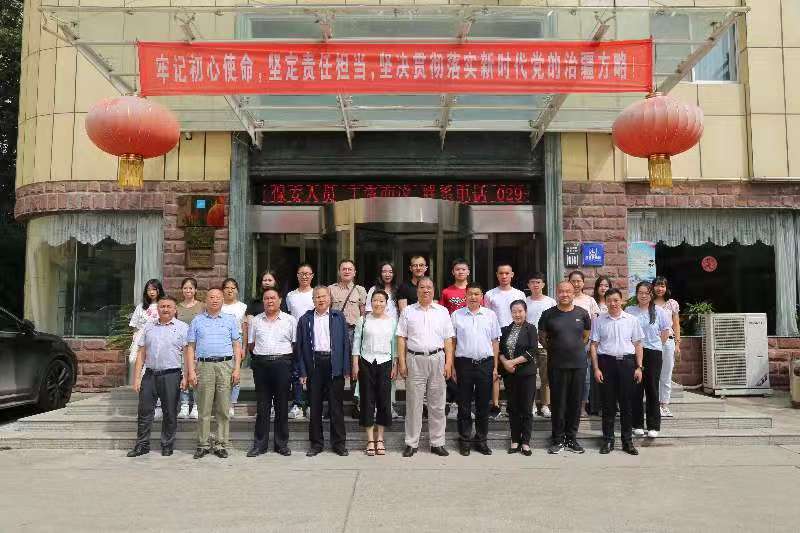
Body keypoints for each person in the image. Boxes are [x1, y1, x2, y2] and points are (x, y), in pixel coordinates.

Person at [397, 277, 455, 457]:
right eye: (422, 287)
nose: (426, 290)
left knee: (437, 404)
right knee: (413, 403)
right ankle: (411, 443)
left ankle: (437, 443)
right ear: (417, 290)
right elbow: (401, 338)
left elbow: (448, 339)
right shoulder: (408, 311)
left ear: (434, 290)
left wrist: (449, 362)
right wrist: (402, 362)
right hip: (414, 359)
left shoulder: (442, 311)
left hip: (438, 358)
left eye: (429, 287)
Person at [185, 288, 243, 459]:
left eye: (218, 297)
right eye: (211, 297)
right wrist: (191, 371)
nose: (215, 300)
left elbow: (237, 346)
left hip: (225, 365)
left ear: (222, 300)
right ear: (206, 300)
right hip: (204, 366)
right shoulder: (197, 320)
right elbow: (190, 347)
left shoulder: (230, 320)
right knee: (204, 408)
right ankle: (202, 444)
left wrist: (237, 368)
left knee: (223, 408)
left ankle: (220, 444)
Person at [127, 297, 188, 457]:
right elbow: (141, 353)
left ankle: (167, 444)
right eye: (162, 306)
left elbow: (187, 354)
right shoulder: (148, 327)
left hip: (172, 375)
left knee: (170, 412)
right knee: (144, 411)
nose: (165, 309)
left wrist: (186, 376)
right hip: (150, 375)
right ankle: (142, 445)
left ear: (175, 309)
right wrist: (137, 378)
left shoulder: (183, 328)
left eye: (169, 306)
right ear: (157, 309)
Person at [296, 286, 351, 457]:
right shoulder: (305, 319)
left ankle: (339, 444)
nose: (321, 299)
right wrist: (302, 371)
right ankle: (316, 443)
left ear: (329, 298)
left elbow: (345, 343)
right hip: (314, 365)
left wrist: (346, 367)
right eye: (317, 297)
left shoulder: (338, 317)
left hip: (334, 365)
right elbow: (300, 348)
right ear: (313, 300)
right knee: (315, 407)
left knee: (336, 407)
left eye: (323, 296)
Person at [539, 281, 592, 455]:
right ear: (557, 293)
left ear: (573, 293)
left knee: (575, 403)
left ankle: (571, 438)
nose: (565, 294)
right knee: (558, 403)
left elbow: (585, 336)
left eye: (568, 291)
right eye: (561, 291)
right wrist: (557, 349)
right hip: (557, 364)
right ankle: (558, 439)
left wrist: (573, 348)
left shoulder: (582, 313)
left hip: (578, 364)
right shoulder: (548, 314)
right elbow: (542, 338)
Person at [589, 288, 645, 456]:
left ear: (622, 301)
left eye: (616, 300)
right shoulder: (599, 321)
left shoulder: (632, 320)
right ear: (605, 302)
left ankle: (627, 441)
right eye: (609, 300)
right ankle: (608, 440)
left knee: (627, 404)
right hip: (606, 363)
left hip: (627, 364)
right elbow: (594, 345)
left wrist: (639, 367)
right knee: (608, 405)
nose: (613, 303)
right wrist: (596, 368)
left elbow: (638, 344)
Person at [246, 287, 297, 457]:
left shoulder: (290, 320)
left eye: (273, 298)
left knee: (282, 405)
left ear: (280, 300)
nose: (270, 301)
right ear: (263, 301)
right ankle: (260, 445)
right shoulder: (256, 321)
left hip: (283, 364)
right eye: (266, 298)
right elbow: (251, 344)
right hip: (261, 365)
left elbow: (295, 343)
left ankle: (281, 444)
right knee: (263, 406)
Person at [451, 283, 501, 456]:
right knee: (464, 404)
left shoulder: (490, 315)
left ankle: (481, 440)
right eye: (470, 294)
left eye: (477, 294)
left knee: (483, 404)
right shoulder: (456, 315)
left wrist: (495, 367)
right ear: (465, 296)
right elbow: (452, 342)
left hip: (485, 364)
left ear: (482, 296)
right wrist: (452, 366)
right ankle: (464, 440)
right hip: (463, 363)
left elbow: (495, 342)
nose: (473, 297)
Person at [352, 289, 397, 456]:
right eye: (375, 300)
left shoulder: (392, 321)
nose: (378, 303)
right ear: (371, 302)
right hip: (366, 362)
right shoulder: (363, 320)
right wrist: (355, 364)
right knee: (367, 400)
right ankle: (370, 440)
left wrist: (395, 365)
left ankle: (380, 439)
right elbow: (356, 343)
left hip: (385, 362)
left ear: (386, 304)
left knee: (384, 401)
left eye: (381, 301)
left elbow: (394, 345)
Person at [626, 281, 671, 439]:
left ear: (651, 294)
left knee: (652, 389)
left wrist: (655, 345)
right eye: (640, 292)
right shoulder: (630, 310)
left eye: (646, 293)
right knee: (635, 389)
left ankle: (653, 425)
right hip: (633, 353)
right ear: (636, 294)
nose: (643, 295)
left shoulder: (659, 311)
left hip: (653, 353)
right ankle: (637, 424)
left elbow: (665, 332)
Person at [484, 264, 525, 419]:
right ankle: (495, 405)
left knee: (513, 372)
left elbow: (523, 315)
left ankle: (512, 404)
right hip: (496, 337)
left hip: (515, 336)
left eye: (507, 273)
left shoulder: (519, 294)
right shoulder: (490, 294)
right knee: (495, 372)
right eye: (501, 273)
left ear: (512, 274)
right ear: (497, 275)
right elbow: (486, 316)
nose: (504, 276)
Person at [499, 299, 539, 456]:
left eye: (520, 311)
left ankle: (526, 442)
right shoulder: (505, 329)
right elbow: (500, 351)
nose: (517, 314)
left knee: (526, 408)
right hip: (510, 375)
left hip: (526, 374)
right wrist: (505, 363)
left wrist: (513, 362)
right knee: (513, 407)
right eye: (514, 311)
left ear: (525, 312)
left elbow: (532, 351)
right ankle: (515, 440)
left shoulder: (531, 329)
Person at [328, 259, 367, 418]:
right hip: (336, 332)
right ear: (339, 271)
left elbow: (363, 314)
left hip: (354, 332)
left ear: (354, 272)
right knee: (335, 369)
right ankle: (333, 406)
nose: (347, 271)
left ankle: (356, 404)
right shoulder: (331, 289)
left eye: (350, 269)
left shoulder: (360, 290)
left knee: (355, 368)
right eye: (344, 269)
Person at [365, 262, 402, 421]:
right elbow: (367, 312)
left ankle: (389, 406)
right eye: (384, 271)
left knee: (391, 374)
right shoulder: (373, 290)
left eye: (390, 271)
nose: (387, 274)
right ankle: (373, 408)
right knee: (373, 377)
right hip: (375, 334)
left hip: (393, 332)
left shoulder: (397, 290)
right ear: (380, 273)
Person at [440, 258, 472, 421]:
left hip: (470, 337)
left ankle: (465, 405)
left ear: (468, 272)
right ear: (453, 272)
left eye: (463, 269)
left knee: (466, 372)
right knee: (451, 369)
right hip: (451, 336)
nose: (460, 272)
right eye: (457, 269)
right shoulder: (447, 292)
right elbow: (442, 313)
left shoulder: (473, 291)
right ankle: (453, 403)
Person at [285, 264, 316, 420]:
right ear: (297, 276)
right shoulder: (290, 296)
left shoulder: (316, 294)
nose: (304, 276)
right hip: (296, 339)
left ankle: (311, 404)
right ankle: (297, 404)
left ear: (312, 276)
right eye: (301, 273)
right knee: (296, 372)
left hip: (314, 339)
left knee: (312, 372)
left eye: (307, 273)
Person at [569, 270, 601, 417]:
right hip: (567, 346)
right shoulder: (565, 298)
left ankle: (582, 406)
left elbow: (595, 323)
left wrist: (591, 343)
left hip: (585, 345)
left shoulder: (590, 301)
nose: (576, 284)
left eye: (579, 281)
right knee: (569, 378)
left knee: (585, 377)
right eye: (573, 281)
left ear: (583, 283)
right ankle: (571, 407)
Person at [525, 272, 556, 418]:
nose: (535, 285)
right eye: (532, 282)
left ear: (543, 284)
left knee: (546, 377)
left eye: (538, 282)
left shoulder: (550, 302)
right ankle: (531, 405)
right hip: (529, 345)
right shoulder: (524, 301)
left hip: (545, 345)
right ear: (528, 285)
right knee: (530, 376)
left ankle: (545, 405)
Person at [128, 279, 164, 392]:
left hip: (158, 337)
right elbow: (135, 325)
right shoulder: (141, 307)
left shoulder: (163, 305)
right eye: (149, 290)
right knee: (135, 360)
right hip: (141, 338)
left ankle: (154, 389)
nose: (151, 292)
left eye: (154, 289)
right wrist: (134, 338)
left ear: (159, 290)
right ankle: (142, 386)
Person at [653, 276, 681, 418]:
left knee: (666, 374)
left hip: (668, 342)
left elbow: (676, 324)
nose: (660, 288)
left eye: (662, 286)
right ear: (653, 287)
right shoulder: (648, 302)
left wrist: (677, 343)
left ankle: (664, 404)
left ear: (666, 288)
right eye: (657, 285)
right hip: (652, 343)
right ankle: (654, 404)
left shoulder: (672, 303)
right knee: (653, 374)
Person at [176, 277, 204, 420]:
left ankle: (197, 406)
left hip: (198, 346)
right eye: (185, 288)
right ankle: (184, 405)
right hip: (181, 346)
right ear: (182, 290)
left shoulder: (202, 306)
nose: (188, 290)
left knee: (197, 374)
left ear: (195, 290)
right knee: (184, 374)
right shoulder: (177, 307)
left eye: (191, 288)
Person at [222, 278, 248, 419]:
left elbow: (244, 329)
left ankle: (231, 404)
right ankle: (221, 403)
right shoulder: (218, 305)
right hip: (221, 342)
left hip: (237, 342)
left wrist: (244, 347)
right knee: (222, 374)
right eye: (227, 288)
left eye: (233, 288)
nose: (230, 290)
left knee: (235, 373)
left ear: (237, 290)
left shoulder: (242, 307)